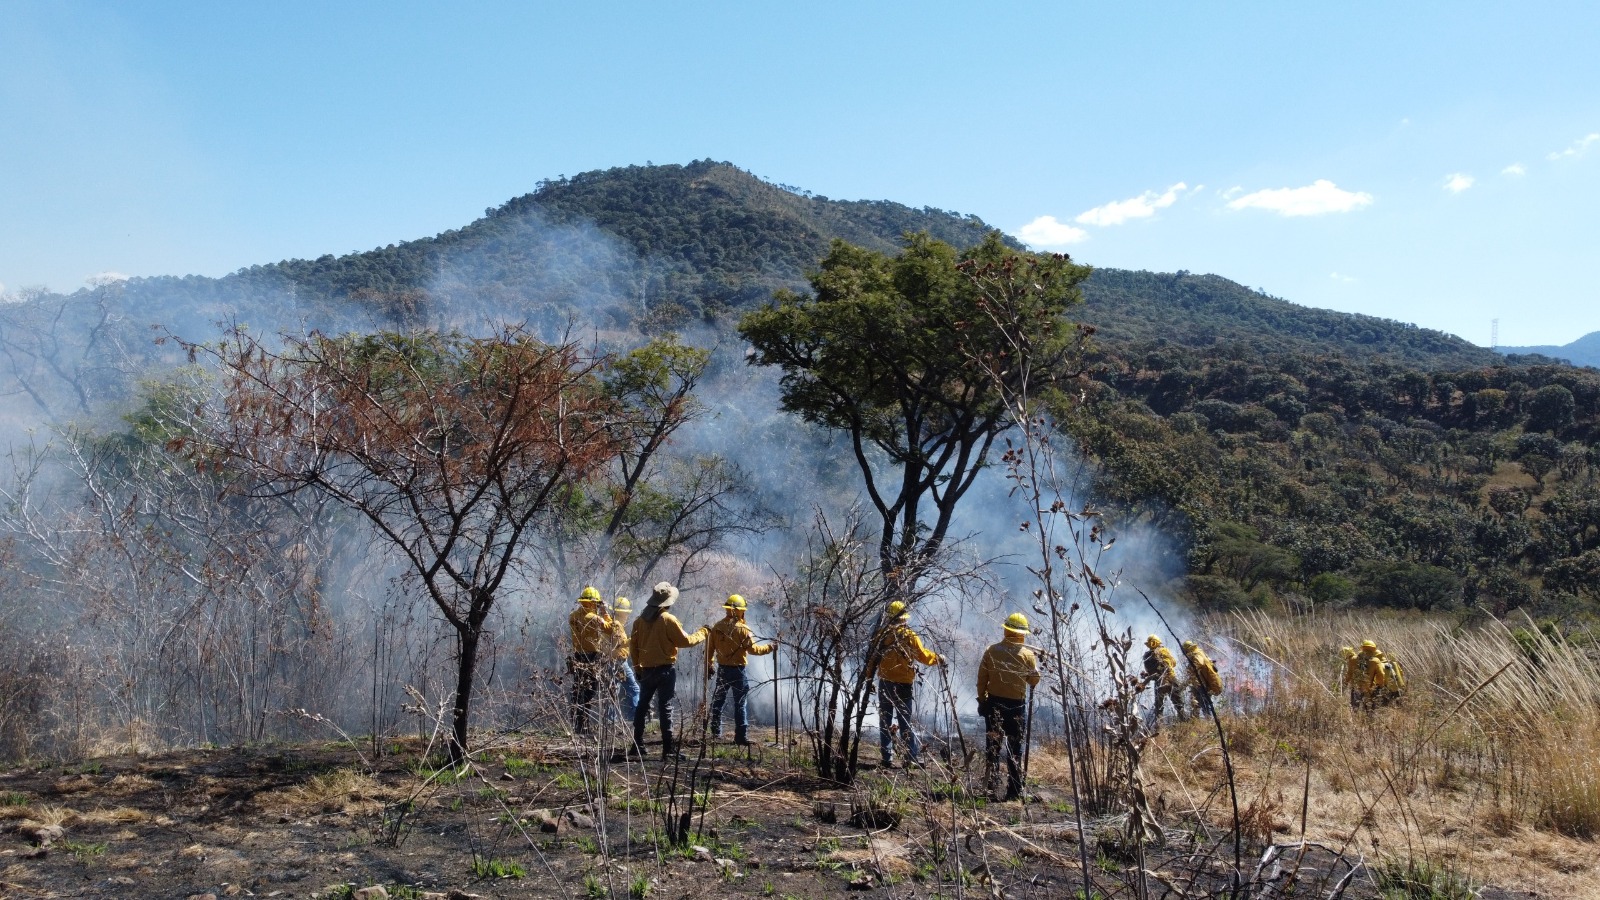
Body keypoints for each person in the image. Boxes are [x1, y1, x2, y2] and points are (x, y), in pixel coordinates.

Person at [629, 582, 708, 760]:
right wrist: (703, 632)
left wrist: (637, 668)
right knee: (665, 707)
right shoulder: (668, 620)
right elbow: (686, 641)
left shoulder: (639, 621)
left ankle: (637, 745)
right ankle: (668, 749)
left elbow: (633, 648)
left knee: (642, 705)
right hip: (665, 671)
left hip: (646, 670)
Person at [977, 613, 1041, 802]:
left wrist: (982, 700)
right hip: (1016, 707)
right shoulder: (1027, 655)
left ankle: (990, 786)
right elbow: (1033, 681)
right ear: (1022, 634)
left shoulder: (991, 650)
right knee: (1015, 749)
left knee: (993, 747)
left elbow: (982, 679)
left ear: (1006, 630)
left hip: (994, 704)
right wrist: (1035, 671)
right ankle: (1014, 790)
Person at [874, 600, 944, 768]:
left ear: (889, 617)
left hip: (884, 683)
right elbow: (923, 656)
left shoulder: (881, 635)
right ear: (904, 618)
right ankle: (910, 758)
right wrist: (938, 658)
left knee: (885, 720)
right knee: (905, 721)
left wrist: (869, 678)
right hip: (903, 685)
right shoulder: (909, 636)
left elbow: (873, 658)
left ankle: (886, 758)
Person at [707, 594, 774, 745]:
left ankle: (715, 733)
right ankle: (741, 737)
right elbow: (753, 650)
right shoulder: (743, 629)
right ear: (739, 611)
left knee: (718, 702)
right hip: (738, 671)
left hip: (722, 671)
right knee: (740, 703)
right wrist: (770, 647)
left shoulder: (717, 627)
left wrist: (710, 664)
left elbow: (710, 649)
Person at [568, 586, 611, 735]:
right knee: (590, 690)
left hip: (577, 656)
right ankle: (583, 725)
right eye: (596, 603)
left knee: (578, 689)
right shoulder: (595, 618)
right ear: (593, 603)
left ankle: (576, 723)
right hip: (592, 657)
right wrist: (605, 612)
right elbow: (610, 630)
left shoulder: (573, 616)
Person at [1142, 635, 1186, 726]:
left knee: (1159, 707)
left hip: (1158, 681)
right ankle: (1184, 722)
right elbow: (1173, 663)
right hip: (1170, 679)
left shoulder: (1147, 655)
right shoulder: (1163, 650)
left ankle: (1159, 726)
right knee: (1178, 703)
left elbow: (1149, 672)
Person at [608, 596, 639, 722]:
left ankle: (610, 719)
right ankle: (635, 717)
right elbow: (620, 644)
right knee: (634, 689)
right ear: (622, 613)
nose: (627, 616)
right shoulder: (616, 625)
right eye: (626, 613)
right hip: (619, 662)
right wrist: (636, 638)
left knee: (613, 691)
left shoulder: (612, 623)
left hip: (612, 661)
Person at [1180, 639, 1223, 717]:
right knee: (1198, 701)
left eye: (1185, 651)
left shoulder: (1196, 654)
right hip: (1201, 681)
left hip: (1202, 683)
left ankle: (1208, 718)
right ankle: (1198, 718)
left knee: (1204, 701)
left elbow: (1199, 664)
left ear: (1188, 649)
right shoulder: (1199, 652)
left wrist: (1190, 670)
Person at [1352, 639, 1389, 710]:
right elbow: (1381, 675)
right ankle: (1369, 716)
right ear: (1374, 649)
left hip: (1356, 687)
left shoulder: (1353, 659)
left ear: (1362, 648)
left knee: (1355, 708)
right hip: (1369, 688)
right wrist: (1380, 685)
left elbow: (1350, 673)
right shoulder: (1375, 661)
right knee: (1369, 708)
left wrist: (1347, 682)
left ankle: (1354, 716)